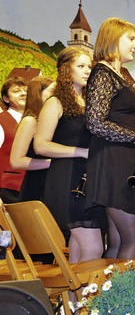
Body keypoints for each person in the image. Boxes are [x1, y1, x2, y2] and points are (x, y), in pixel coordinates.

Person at [85, 18, 135, 260]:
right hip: (114, 164)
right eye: (130, 38)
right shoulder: (102, 72)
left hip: (120, 162)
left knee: (119, 242)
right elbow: (95, 123)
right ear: (112, 39)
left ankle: (107, 297)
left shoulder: (114, 75)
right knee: (134, 238)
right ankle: (125, 298)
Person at [34, 47, 97, 263]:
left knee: (78, 249)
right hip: (66, 179)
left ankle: (73, 298)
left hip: (85, 180)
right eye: (81, 66)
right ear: (65, 70)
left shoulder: (90, 104)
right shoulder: (55, 102)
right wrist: (80, 152)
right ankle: (86, 298)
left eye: (89, 66)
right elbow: (41, 145)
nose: (87, 70)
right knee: (93, 248)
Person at [10, 77, 54, 202]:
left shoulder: (51, 121)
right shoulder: (30, 121)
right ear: (37, 95)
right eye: (53, 91)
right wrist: (54, 163)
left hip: (52, 182)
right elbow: (16, 161)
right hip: (37, 186)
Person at [0, 77, 28, 203]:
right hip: (7, 188)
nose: (23, 93)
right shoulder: (2, 121)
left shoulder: (39, 120)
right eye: (16, 91)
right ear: (6, 99)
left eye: (26, 90)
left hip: (33, 187)